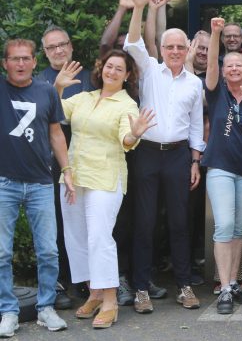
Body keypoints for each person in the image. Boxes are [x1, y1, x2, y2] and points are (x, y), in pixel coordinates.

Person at [53, 53, 155, 329]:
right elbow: (52, 112)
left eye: (118, 69)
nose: (112, 71)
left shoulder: (127, 104)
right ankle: (95, 293)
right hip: (74, 176)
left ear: (127, 75)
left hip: (105, 179)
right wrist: (58, 86)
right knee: (77, 238)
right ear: (102, 68)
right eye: (109, 66)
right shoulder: (85, 97)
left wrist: (135, 134)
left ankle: (110, 302)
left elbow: (126, 139)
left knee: (99, 237)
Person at [123, 0, 205, 313]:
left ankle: (184, 286)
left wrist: (195, 160)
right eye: (169, 46)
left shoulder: (195, 83)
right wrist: (141, 7)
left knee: (179, 222)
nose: (173, 51)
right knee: (143, 222)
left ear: (187, 50)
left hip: (178, 156)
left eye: (179, 47)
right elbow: (131, 42)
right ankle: (141, 288)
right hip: (146, 153)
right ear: (161, 47)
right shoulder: (149, 71)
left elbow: (197, 125)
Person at [0, 39, 73, 336]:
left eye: (25, 59)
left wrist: (66, 170)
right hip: (4, 182)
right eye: (14, 59)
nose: (20, 64)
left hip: (41, 182)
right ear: (5, 63)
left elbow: (56, 134)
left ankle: (45, 307)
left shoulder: (46, 90)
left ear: (33, 61)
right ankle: (7, 311)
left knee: (48, 251)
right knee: (2, 253)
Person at [203, 18, 242, 314]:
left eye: (240, 65)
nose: (235, 69)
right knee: (224, 225)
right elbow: (212, 61)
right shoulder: (216, 90)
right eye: (230, 65)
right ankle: (224, 287)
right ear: (224, 70)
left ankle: (235, 281)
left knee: (239, 228)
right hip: (220, 167)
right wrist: (215, 34)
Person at [36, 26, 93, 310]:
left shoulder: (91, 76)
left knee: (85, 220)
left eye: (63, 44)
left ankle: (85, 279)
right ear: (44, 53)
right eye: (52, 47)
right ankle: (59, 282)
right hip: (50, 162)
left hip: (88, 159)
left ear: (71, 46)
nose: (59, 50)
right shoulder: (38, 82)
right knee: (56, 222)